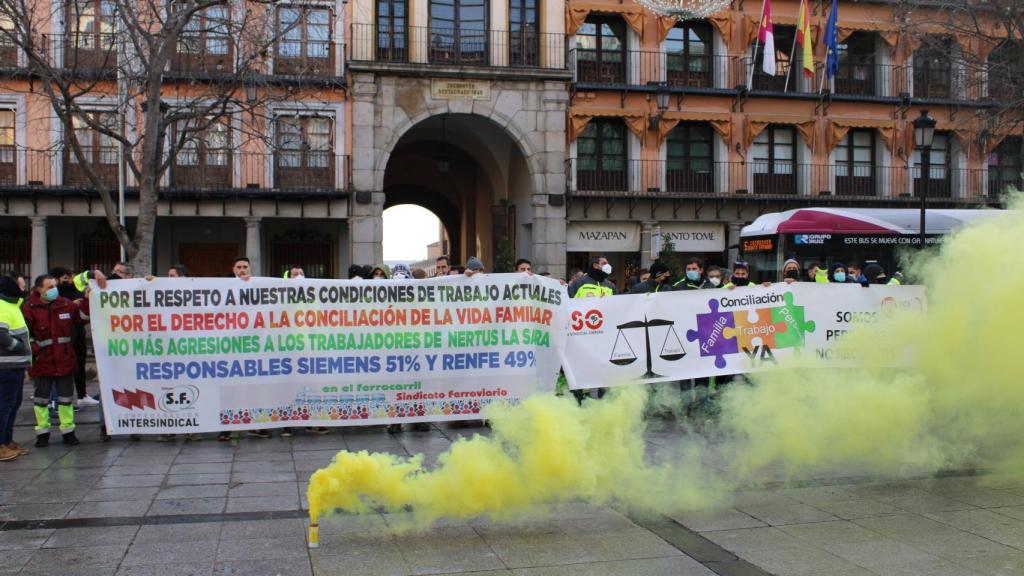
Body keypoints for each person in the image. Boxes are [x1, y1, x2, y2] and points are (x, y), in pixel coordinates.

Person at [23, 272, 104, 447]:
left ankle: (68, 432)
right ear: (39, 289)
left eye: (55, 286)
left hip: (64, 360)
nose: (54, 290)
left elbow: (82, 318)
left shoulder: (65, 304)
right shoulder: (29, 307)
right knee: (41, 400)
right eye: (50, 287)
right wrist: (36, 352)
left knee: (66, 399)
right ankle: (42, 434)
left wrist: (87, 300)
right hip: (42, 362)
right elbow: (25, 334)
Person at [0, 274, 32, 461]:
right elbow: (1, 334)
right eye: (19, 285)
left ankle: (7, 440)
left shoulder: (12, 305)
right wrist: (17, 346)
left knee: (13, 404)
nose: (22, 288)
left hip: (15, 365)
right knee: (5, 406)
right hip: (6, 366)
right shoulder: (3, 306)